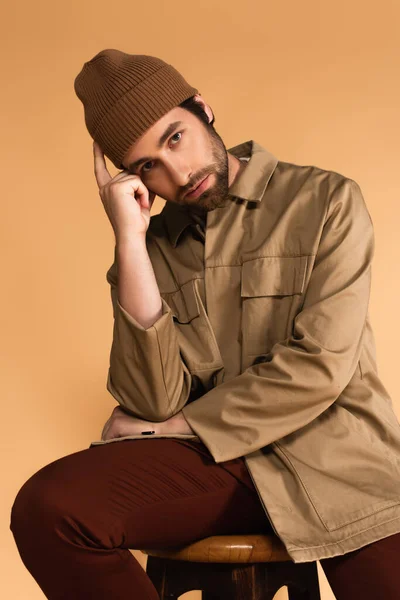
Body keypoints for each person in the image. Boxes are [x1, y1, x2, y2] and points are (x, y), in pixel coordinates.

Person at [10, 48, 400, 600]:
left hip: (335, 457)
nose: (177, 174)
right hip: (221, 468)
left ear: (203, 109)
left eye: (174, 139)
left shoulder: (325, 200)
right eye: (147, 166)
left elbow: (321, 367)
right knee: (49, 511)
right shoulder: (151, 254)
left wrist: (170, 430)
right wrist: (129, 242)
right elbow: (151, 400)